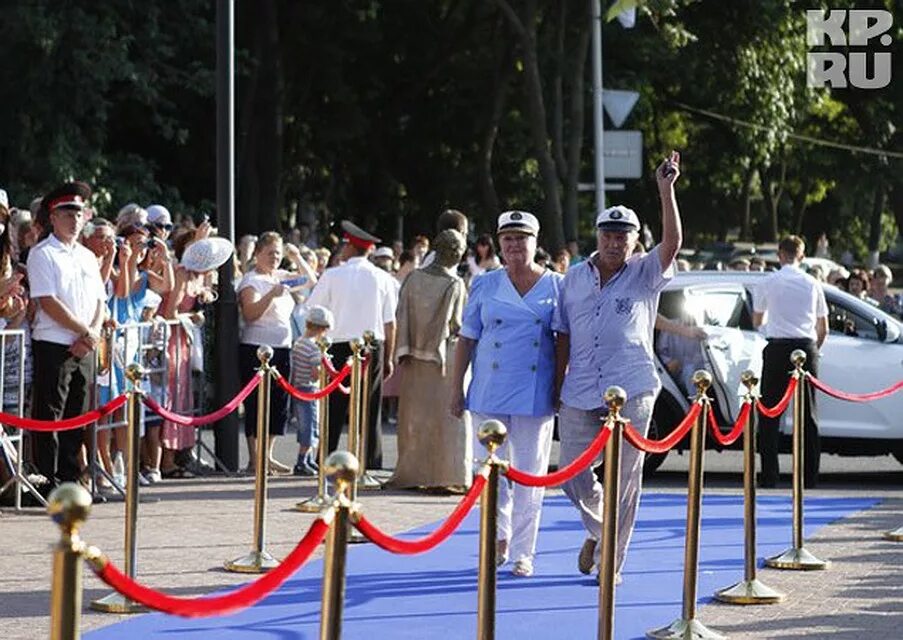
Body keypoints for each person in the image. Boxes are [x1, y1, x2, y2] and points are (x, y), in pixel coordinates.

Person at [553, 151, 683, 580]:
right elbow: (563, 334)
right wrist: (557, 384)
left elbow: (672, 244)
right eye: (608, 234)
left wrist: (666, 191)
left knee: (625, 479)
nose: (614, 242)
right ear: (597, 236)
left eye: (623, 236)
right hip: (580, 387)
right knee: (572, 472)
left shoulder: (644, 271)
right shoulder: (572, 276)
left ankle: (612, 562)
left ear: (633, 242)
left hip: (633, 385)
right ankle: (601, 529)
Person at [450, 210, 563, 578]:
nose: (515, 245)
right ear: (499, 243)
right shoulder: (484, 283)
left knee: (529, 474)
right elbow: (467, 339)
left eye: (522, 238)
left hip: (534, 391)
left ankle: (523, 551)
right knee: (490, 473)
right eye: (508, 239)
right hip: (489, 389)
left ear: (535, 241)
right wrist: (456, 388)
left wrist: (560, 385)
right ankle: (496, 540)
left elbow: (563, 341)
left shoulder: (555, 285)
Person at [27, 181, 106, 490]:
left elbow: (100, 299)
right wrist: (85, 331)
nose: (74, 220)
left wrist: (92, 334)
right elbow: (48, 300)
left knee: (78, 414)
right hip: (54, 343)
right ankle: (46, 480)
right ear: (53, 216)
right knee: (50, 415)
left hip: (84, 345)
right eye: (67, 214)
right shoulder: (42, 253)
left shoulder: (86, 256)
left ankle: (71, 477)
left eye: (78, 214)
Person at [306, 220, 398, 470]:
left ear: (349, 247)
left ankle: (326, 458)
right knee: (371, 407)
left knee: (334, 407)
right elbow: (390, 323)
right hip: (372, 345)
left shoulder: (333, 275)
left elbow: (312, 309)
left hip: (338, 345)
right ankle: (371, 461)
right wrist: (389, 356)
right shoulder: (383, 278)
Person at [389, 229, 470, 492]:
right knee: (448, 420)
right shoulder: (454, 284)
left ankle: (411, 473)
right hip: (443, 357)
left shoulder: (413, 278)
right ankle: (449, 475)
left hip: (413, 356)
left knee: (414, 419)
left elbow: (401, 313)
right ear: (456, 253)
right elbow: (457, 323)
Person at [753, 235, 828, 489]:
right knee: (808, 415)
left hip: (777, 346)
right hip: (806, 347)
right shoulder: (812, 282)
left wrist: (771, 331)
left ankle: (770, 475)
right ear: (802, 256)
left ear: (779, 254)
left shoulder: (769, 281)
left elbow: (757, 320)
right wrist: (813, 349)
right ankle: (810, 476)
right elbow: (823, 327)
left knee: (769, 414)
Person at [237, 231, 296, 474]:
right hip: (257, 347)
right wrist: (271, 294)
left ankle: (268, 455)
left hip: (283, 346)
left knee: (279, 404)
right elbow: (250, 314)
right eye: (270, 253)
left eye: (278, 254)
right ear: (258, 253)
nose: (274, 258)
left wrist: (297, 256)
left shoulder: (281, 276)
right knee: (256, 403)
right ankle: (254, 457)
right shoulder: (251, 281)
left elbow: (312, 280)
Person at [288, 305, 333, 476]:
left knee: (306, 424)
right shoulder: (314, 348)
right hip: (310, 389)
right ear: (323, 328)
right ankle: (302, 460)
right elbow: (316, 375)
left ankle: (308, 460)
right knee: (311, 425)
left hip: (299, 387)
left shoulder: (299, 342)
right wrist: (324, 363)